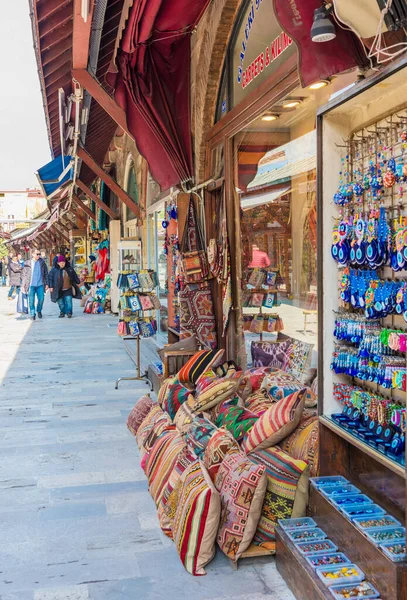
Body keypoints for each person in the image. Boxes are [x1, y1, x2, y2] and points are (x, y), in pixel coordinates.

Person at [48, 254, 80, 318]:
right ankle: (62, 312)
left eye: (63, 262)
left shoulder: (69, 269)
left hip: (68, 288)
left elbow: (74, 276)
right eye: (61, 263)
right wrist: (51, 286)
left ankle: (69, 313)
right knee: (60, 303)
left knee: (69, 301)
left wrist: (78, 281)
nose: (62, 264)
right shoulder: (54, 270)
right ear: (58, 263)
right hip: (58, 289)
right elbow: (50, 278)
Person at [21, 249, 49, 320]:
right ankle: (32, 314)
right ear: (32, 254)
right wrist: (23, 285)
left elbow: (46, 273)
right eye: (37, 254)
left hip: (40, 284)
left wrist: (47, 283)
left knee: (41, 299)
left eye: (39, 254)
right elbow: (24, 274)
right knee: (31, 301)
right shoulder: (27, 263)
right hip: (31, 285)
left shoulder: (42, 262)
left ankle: (39, 310)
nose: (38, 255)